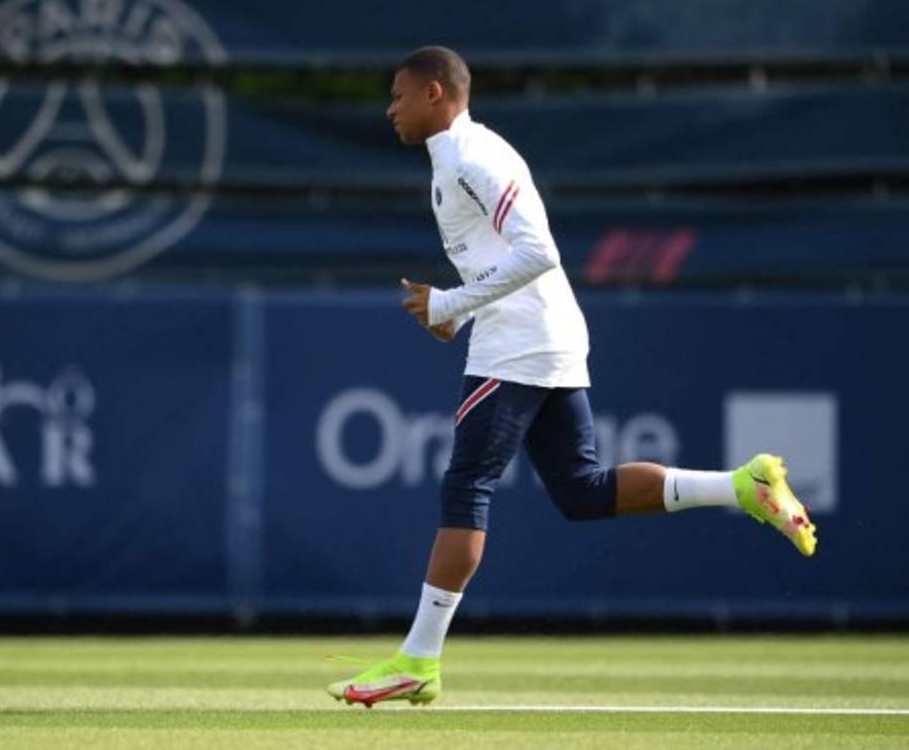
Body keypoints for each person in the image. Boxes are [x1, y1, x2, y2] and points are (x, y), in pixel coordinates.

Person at [327, 45, 817, 709]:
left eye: (400, 94)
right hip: (534, 335)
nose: (390, 108)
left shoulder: (475, 157)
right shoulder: (455, 162)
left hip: (521, 346)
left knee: (467, 484)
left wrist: (450, 304)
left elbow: (540, 251)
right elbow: (504, 265)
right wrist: (455, 314)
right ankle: (743, 484)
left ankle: (419, 659)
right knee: (581, 491)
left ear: (437, 93)